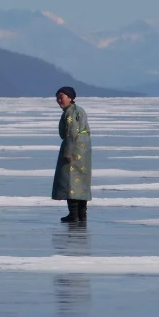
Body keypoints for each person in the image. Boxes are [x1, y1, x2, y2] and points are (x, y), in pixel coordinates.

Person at [51, 86, 92, 222]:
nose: (58, 100)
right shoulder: (79, 110)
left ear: (70, 98)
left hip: (74, 148)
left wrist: (68, 152)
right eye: (57, 97)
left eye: (61, 97)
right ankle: (82, 215)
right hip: (83, 149)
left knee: (70, 181)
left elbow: (71, 133)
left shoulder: (70, 112)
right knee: (81, 182)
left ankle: (74, 215)